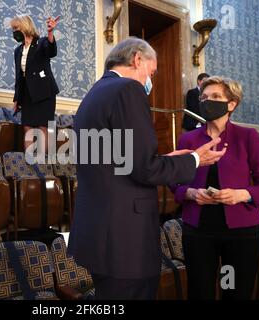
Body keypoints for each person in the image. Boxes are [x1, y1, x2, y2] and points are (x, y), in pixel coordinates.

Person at [67, 37, 227, 300]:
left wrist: (166, 158)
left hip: (99, 233)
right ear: (137, 59)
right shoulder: (128, 89)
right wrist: (195, 159)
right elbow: (145, 169)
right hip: (125, 238)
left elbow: (121, 162)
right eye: (151, 73)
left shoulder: (93, 95)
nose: (150, 82)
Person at [172, 76, 259, 300]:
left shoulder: (247, 137)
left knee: (233, 292)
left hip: (240, 233)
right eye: (204, 97)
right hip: (199, 231)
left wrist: (241, 194)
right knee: (200, 292)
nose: (208, 101)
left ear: (231, 104)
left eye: (216, 96)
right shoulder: (187, 139)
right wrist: (190, 193)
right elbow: (176, 182)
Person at [10, 15, 59, 153]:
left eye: (16, 28)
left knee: (43, 127)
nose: (14, 31)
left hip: (45, 93)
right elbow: (19, 77)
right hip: (27, 94)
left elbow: (51, 51)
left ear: (26, 27)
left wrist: (50, 32)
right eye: (13, 29)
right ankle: (30, 165)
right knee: (27, 127)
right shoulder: (18, 50)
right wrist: (16, 99)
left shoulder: (41, 42)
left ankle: (42, 165)